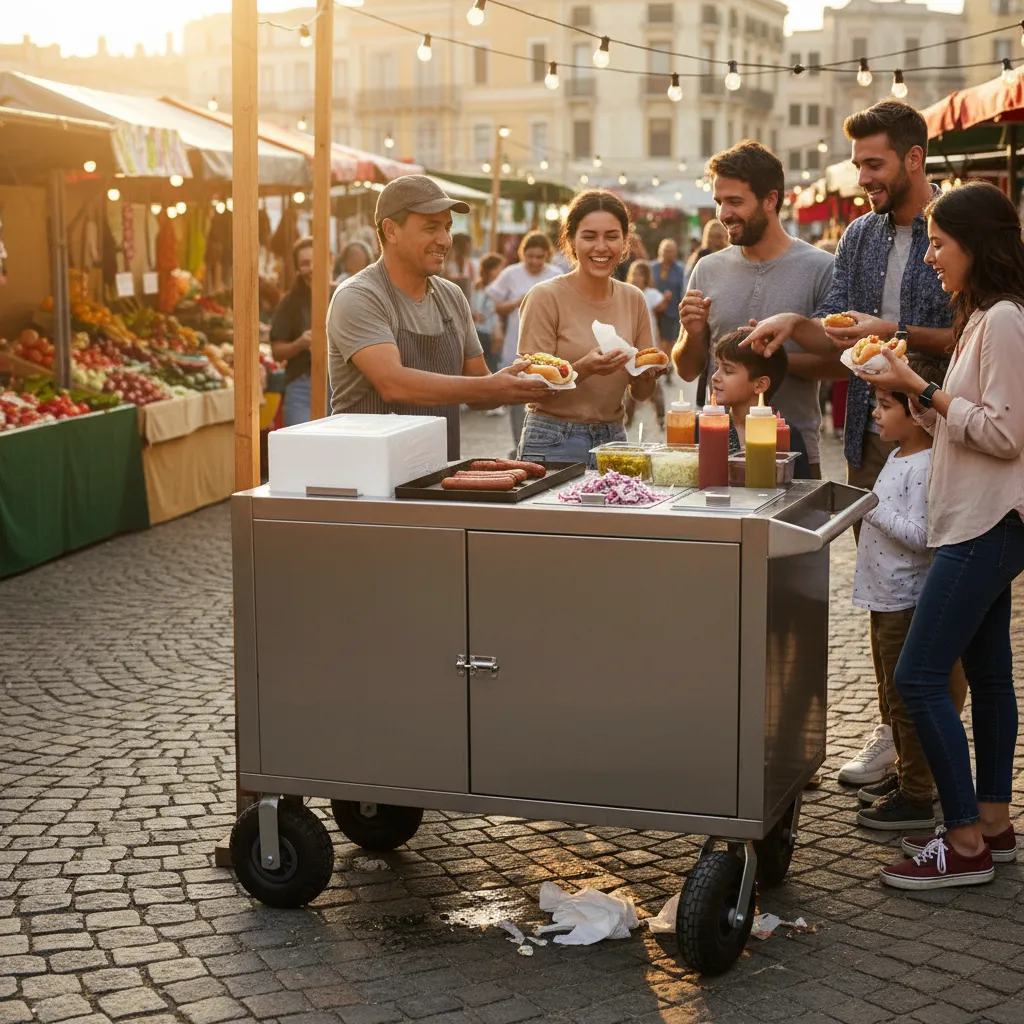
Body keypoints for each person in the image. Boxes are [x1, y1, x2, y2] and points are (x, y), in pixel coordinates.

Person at [743, 102, 956, 785]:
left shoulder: (956, 226)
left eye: (875, 163)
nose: (863, 176)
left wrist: (891, 327)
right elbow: (838, 332)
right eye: (859, 163)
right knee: (886, 594)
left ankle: (929, 754)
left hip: (943, 438)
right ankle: (898, 736)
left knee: (937, 605)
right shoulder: (861, 235)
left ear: (914, 159)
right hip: (871, 438)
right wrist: (790, 321)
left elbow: (974, 332)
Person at [860, 182, 1024, 890]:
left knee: (919, 675)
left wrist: (921, 389)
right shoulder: (987, 317)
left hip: (986, 523)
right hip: (978, 516)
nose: (930, 257)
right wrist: (913, 392)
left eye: (939, 243)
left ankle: (960, 842)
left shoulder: (1007, 320)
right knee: (988, 677)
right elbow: (968, 431)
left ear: (977, 246)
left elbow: (1004, 434)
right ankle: (992, 823)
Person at [327, 176, 548, 459]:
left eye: (447, 227)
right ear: (391, 231)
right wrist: (491, 386)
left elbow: (479, 387)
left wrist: (542, 381)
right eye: (431, 228)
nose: (445, 240)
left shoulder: (452, 297)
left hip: (438, 474)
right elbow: (393, 384)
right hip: (368, 477)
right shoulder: (359, 297)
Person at [851, 356, 968, 831]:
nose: (875, 414)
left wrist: (870, 507)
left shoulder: (923, 464)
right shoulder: (898, 455)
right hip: (884, 595)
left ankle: (918, 794)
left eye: (884, 405)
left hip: (904, 596)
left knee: (905, 696)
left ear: (915, 412)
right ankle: (905, 775)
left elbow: (922, 535)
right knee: (888, 695)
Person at [671, 141, 833, 477]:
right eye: (719, 202)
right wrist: (693, 335)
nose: (724, 214)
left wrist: (765, 365)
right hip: (717, 449)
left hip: (793, 450)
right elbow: (687, 370)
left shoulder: (821, 268)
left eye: (735, 202)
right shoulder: (706, 269)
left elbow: (843, 365)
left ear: (771, 200)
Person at [516, 189, 665, 465]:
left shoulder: (634, 299)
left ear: (625, 242)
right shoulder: (545, 296)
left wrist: (647, 375)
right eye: (589, 236)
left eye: (611, 236)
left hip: (614, 437)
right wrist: (584, 368)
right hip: (553, 437)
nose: (601, 247)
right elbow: (531, 387)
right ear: (571, 241)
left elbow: (641, 394)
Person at [487, 231, 563, 450]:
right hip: (516, 340)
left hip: (550, 343)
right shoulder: (511, 273)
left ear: (547, 256)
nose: (534, 261)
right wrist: (518, 302)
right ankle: (519, 444)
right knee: (517, 393)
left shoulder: (556, 274)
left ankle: (543, 443)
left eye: (540, 257)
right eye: (530, 256)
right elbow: (495, 306)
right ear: (522, 254)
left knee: (547, 390)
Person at [709, 328, 809, 467]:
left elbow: (801, 485)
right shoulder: (707, 426)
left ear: (760, 385)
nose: (714, 377)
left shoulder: (785, 434)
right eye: (717, 367)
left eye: (728, 370)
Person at [271, 236, 316, 426]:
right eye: (305, 263)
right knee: (301, 452)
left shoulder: (343, 294)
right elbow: (276, 352)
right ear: (298, 269)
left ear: (329, 260)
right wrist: (301, 343)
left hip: (340, 388)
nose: (312, 268)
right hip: (302, 387)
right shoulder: (290, 303)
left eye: (316, 261)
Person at [624, 260, 667, 429]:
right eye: (634, 274)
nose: (636, 278)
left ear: (646, 278)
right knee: (630, 383)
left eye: (640, 275)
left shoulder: (650, 293)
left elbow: (661, 309)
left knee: (654, 384)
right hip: (630, 345)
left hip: (650, 345)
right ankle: (628, 418)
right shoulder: (625, 293)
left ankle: (661, 417)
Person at [471, 253, 506, 415]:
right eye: (499, 268)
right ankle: (491, 402)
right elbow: (488, 312)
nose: (502, 271)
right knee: (490, 364)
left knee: (488, 364)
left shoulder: (480, 286)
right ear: (491, 269)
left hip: (483, 329)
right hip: (486, 330)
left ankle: (487, 401)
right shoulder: (489, 287)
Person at [650, 238, 687, 356]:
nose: (668, 254)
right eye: (666, 251)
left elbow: (684, 289)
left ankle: (667, 364)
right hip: (655, 310)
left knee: (671, 339)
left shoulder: (681, 269)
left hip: (673, 310)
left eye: (671, 251)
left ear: (676, 252)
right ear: (660, 251)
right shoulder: (652, 267)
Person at [444, 232, 476, 302]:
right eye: (467, 245)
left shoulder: (469, 264)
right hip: (449, 297)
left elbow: (472, 285)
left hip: (465, 299)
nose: (470, 248)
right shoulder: (447, 262)